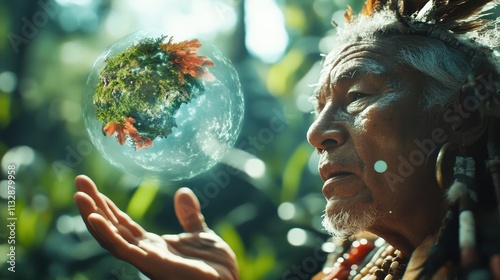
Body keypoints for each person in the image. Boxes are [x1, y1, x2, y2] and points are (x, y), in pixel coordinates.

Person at [74, 0, 500, 279]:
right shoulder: (355, 268)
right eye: (318, 110)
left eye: (357, 97)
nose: (317, 134)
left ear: (464, 117)